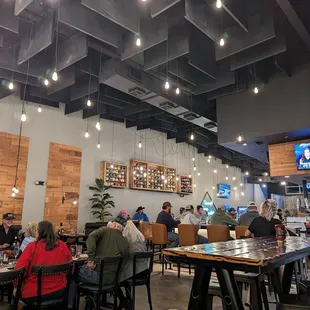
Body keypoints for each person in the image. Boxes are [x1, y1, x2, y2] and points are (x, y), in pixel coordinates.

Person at [14, 221, 72, 303]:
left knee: (16, 294)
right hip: (60, 290)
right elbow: (71, 269)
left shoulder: (32, 246)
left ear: (39, 232)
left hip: (34, 293)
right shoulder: (62, 245)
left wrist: (16, 286)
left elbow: (18, 271)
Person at [78, 216, 129, 285]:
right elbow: (123, 265)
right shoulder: (125, 242)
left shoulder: (105, 230)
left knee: (72, 273)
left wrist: (91, 258)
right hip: (112, 279)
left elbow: (91, 236)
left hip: (97, 276)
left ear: (114, 225)